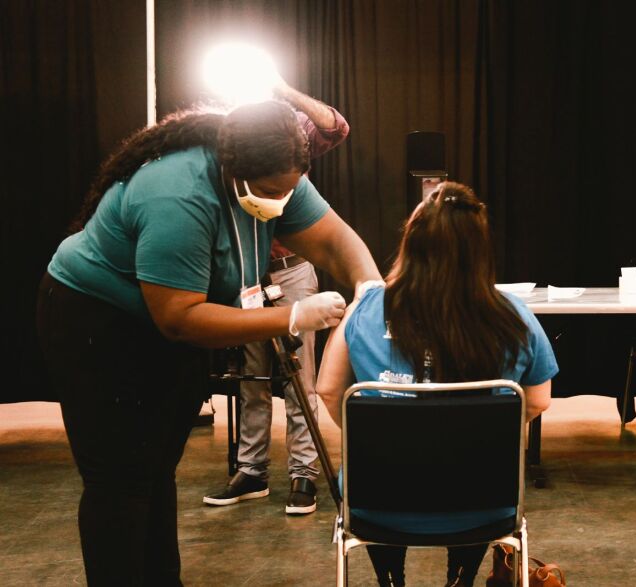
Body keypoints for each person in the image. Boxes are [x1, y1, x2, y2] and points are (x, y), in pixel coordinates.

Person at [35, 78, 381, 585]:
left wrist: (369, 285)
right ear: (233, 172)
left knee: (156, 466)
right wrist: (292, 316)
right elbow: (179, 318)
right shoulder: (178, 193)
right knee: (119, 478)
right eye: (270, 194)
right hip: (95, 322)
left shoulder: (275, 169)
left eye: (290, 191)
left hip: (163, 324)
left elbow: (331, 238)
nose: (281, 203)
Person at [316, 182, 557, 587]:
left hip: (377, 501)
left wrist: (382, 440)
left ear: (411, 243)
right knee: (473, 478)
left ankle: (390, 581)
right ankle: (460, 579)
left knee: (379, 486)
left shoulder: (367, 308)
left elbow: (326, 389)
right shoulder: (514, 316)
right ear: (480, 251)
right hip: (484, 502)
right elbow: (537, 400)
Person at [202, 85, 350, 515]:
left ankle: (303, 474)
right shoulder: (228, 139)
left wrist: (280, 88)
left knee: (301, 377)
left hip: (293, 271)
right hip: (249, 278)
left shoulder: (288, 132)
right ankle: (252, 471)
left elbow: (334, 126)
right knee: (252, 378)